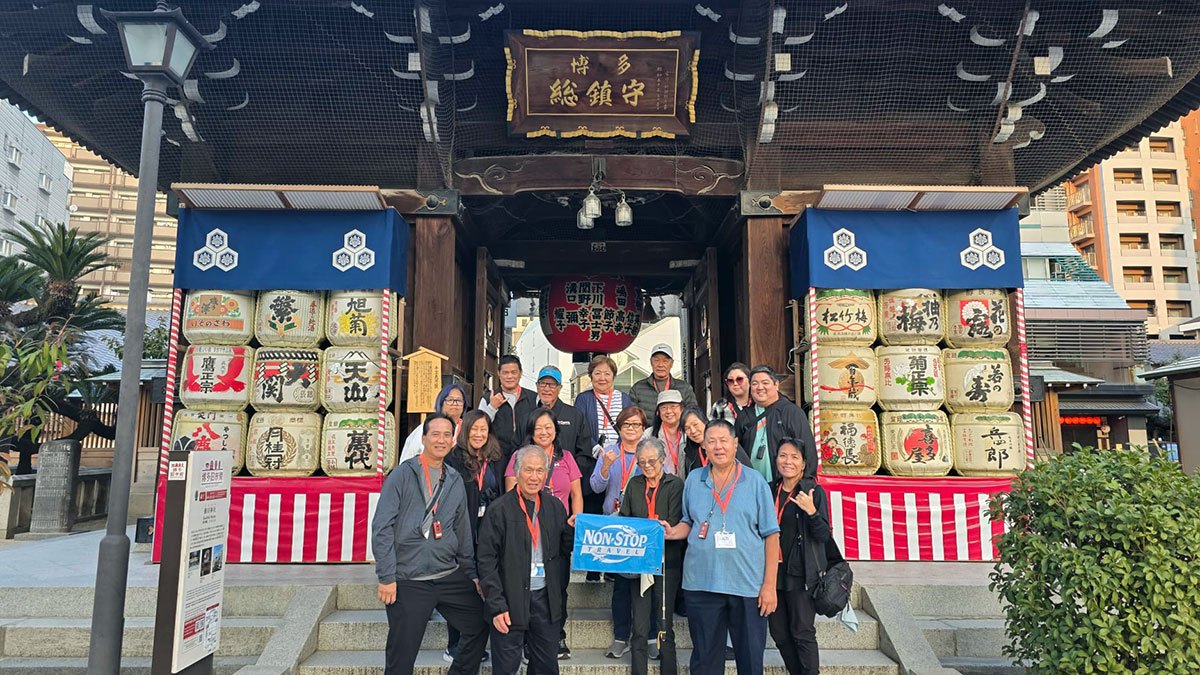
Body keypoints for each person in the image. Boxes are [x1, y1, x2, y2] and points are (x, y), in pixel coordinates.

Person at [371, 413, 489, 675]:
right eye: (435, 434)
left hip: (447, 573)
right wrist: (386, 575)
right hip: (409, 578)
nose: (441, 440)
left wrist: (471, 573)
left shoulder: (455, 479)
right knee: (402, 654)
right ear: (423, 438)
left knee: (480, 623)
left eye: (447, 435)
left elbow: (462, 529)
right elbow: (381, 527)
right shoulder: (402, 475)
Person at [663, 419, 780, 675]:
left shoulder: (755, 481)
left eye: (724, 440)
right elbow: (688, 522)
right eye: (712, 441)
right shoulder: (694, 480)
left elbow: (772, 536)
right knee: (705, 662)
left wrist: (769, 586)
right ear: (703, 447)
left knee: (750, 661)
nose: (718, 447)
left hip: (747, 586)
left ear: (735, 444)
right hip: (700, 584)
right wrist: (672, 532)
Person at [478, 446, 575, 675]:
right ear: (517, 472)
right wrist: (496, 605)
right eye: (528, 470)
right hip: (510, 600)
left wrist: (574, 531)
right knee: (506, 668)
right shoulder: (499, 510)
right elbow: (486, 561)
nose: (534, 477)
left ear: (546, 473)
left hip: (545, 600)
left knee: (546, 667)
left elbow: (564, 550)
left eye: (540, 471)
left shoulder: (554, 507)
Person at [503, 408, 583, 659]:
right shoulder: (519, 456)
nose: (544, 432)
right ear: (531, 431)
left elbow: (576, 495)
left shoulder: (566, 457)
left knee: (558, 585)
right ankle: (526, 638)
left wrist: (575, 520)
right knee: (526, 585)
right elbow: (510, 492)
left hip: (558, 533)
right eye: (538, 428)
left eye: (549, 427)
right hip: (526, 531)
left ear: (556, 430)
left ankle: (557, 635)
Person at [443, 409, 505, 663]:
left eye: (484, 429)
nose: (479, 434)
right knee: (463, 588)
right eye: (474, 429)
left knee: (489, 584)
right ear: (466, 431)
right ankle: (455, 645)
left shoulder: (498, 458)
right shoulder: (453, 458)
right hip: (463, 530)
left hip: (490, 531)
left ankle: (479, 643)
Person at [588, 406, 650, 658]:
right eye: (626, 425)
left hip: (642, 526)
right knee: (622, 586)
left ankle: (650, 636)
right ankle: (621, 637)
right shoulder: (610, 451)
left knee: (647, 585)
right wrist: (605, 467)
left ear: (643, 428)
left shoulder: (650, 451)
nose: (632, 429)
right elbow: (595, 486)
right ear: (619, 428)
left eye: (636, 425)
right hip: (614, 526)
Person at [620, 437, 685, 675]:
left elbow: (677, 521)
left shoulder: (675, 485)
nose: (647, 466)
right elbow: (625, 518)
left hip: (668, 562)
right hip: (640, 562)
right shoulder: (634, 484)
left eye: (652, 461)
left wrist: (654, 527)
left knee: (664, 625)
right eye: (641, 462)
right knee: (639, 626)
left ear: (663, 459)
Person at [769, 438, 833, 675]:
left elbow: (824, 535)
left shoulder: (812, 492)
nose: (788, 461)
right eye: (783, 455)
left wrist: (812, 512)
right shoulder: (769, 489)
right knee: (779, 633)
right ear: (776, 460)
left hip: (800, 574)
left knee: (802, 631)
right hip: (773, 574)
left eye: (795, 457)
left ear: (804, 464)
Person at [734, 366, 814, 482]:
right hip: (751, 485)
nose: (760, 387)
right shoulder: (744, 416)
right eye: (755, 383)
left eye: (765, 383)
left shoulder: (791, 412)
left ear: (776, 385)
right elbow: (736, 450)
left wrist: (806, 484)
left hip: (784, 486)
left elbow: (808, 450)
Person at [533, 365, 596, 497]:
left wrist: (568, 475)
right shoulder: (528, 415)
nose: (547, 388)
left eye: (552, 384)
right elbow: (519, 447)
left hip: (565, 488)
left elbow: (584, 452)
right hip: (532, 483)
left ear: (560, 388)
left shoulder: (574, 415)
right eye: (543, 383)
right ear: (537, 385)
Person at [478, 355, 539, 467]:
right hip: (496, 458)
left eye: (514, 372)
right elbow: (478, 427)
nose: (509, 376)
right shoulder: (488, 399)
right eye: (505, 373)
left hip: (527, 458)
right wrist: (492, 407)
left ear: (520, 373)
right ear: (499, 373)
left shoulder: (534, 398)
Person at [401, 384, 468, 464]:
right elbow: (408, 458)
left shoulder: (467, 429)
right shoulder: (426, 427)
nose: (454, 404)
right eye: (450, 400)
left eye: (459, 400)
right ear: (441, 402)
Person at [680, 406, 752, 479]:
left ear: (705, 421)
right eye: (687, 428)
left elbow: (748, 474)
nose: (693, 431)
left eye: (695, 424)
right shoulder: (689, 453)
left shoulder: (726, 445)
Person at [629, 343, 697, 417]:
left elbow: (692, 414)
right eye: (656, 360)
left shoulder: (684, 388)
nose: (660, 365)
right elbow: (631, 416)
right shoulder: (637, 388)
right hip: (647, 428)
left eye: (665, 361)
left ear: (671, 363)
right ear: (651, 362)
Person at [647, 390, 685, 474]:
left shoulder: (689, 432)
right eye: (664, 408)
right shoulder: (648, 435)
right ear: (658, 411)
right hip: (661, 485)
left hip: (687, 484)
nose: (668, 411)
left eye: (673, 407)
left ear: (682, 409)